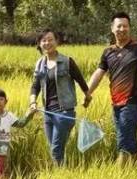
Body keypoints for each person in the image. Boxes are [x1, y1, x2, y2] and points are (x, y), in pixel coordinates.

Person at [87, 12, 137, 165]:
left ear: (129, 28)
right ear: (112, 29)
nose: (122, 29)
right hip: (116, 105)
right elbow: (99, 73)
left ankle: (136, 171)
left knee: (124, 142)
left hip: (132, 103)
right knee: (125, 141)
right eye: (119, 26)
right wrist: (88, 92)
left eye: (125, 26)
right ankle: (135, 171)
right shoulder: (108, 52)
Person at [28, 29, 92, 166]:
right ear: (39, 44)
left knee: (56, 150)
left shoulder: (67, 61)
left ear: (57, 41)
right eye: (43, 40)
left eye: (50, 39)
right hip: (47, 113)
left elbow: (80, 80)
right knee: (55, 150)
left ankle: (58, 176)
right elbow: (35, 86)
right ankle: (64, 175)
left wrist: (87, 97)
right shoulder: (40, 64)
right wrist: (33, 102)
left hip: (64, 112)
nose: (47, 43)